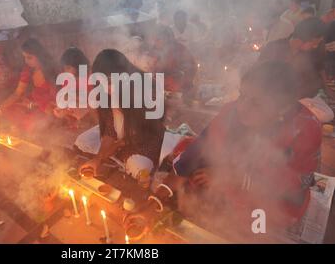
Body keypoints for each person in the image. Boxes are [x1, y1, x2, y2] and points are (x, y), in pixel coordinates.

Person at [132, 61, 322, 240]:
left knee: (252, 232)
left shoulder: (305, 130)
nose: (242, 107)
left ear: (283, 107)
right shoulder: (232, 112)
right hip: (227, 185)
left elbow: (289, 190)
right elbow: (198, 150)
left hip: (269, 205)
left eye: (256, 103)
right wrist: (159, 197)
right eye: (242, 95)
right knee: (187, 189)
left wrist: (229, 177)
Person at [78, 49, 165, 180]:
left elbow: (145, 132)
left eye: (108, 81)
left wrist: (111, 149)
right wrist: (98, 158)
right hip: (120, 135)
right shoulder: (105, 91)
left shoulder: (146, 89)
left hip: (144, 140)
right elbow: (109, 130)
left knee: (138, 167)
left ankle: (121, 159)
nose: (104, 86)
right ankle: (115, 158)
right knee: (82, 142)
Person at [259, 17, 329, 100]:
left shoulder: (308, 55)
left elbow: (313, 81)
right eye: (315, 43)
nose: (315, 46)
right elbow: (259, 76)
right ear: (305, 38)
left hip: (296, 100)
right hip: (268, 99)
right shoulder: (274, 48)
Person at [0, 38, 57, 132]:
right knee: (9, 109)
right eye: (24, 57)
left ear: (39, 56)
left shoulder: (51, 71)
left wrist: (32, 105)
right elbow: (17, 93)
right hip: (32, 105)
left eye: (29, 57)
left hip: (47, 109)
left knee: (32, 123)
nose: (26, 61)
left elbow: (55, 102)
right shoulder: (28, 70)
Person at [53, 47, 92, 125]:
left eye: (68, 68)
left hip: (91, 117)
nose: (65, 72)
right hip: (75, 118)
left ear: (78, 66)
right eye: (64, 69)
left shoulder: (89, 78)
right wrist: (62, 110)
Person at [153, 25, 197, 94]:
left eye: (159, 39)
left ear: (168, 38)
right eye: (156, 39)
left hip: (178, 91)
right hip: (158, 90)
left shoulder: (180, 49)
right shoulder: (153, 51)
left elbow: (191, 67)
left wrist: (182, 76)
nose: (156, 42)